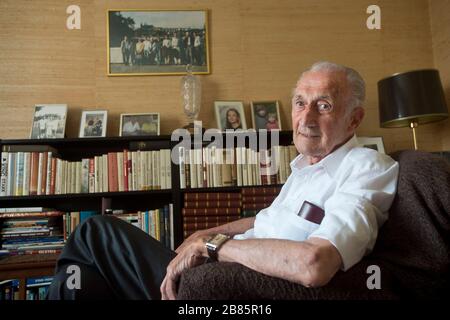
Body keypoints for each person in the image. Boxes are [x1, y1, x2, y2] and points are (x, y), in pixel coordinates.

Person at [46, 61, 399, 300]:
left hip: (224, 288)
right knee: (85, 276)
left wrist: (214, 245)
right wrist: (209, 233)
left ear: (354, 120)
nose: (305, 117)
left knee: (94, 234)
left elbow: (315, 264)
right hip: (217, 268)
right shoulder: (305, 167)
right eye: (300, 102)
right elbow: (266, 220)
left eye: (323, 105)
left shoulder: (365, 168)